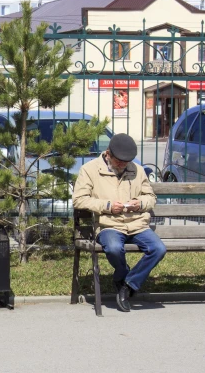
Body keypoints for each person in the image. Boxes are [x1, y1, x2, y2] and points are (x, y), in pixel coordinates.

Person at [72, 133, 167, 312]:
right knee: (114, 248)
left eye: (127, 162)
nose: (123, 165)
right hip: (109, 225)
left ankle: (128, 285)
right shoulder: (89, 170)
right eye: (119, 161)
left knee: (159, 249)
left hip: (137, 224)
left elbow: (150, 197)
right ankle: (122, 274)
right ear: (108, 154)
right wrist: (107, 206)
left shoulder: (138, 170)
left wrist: (139, 203)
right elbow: (79, 200)